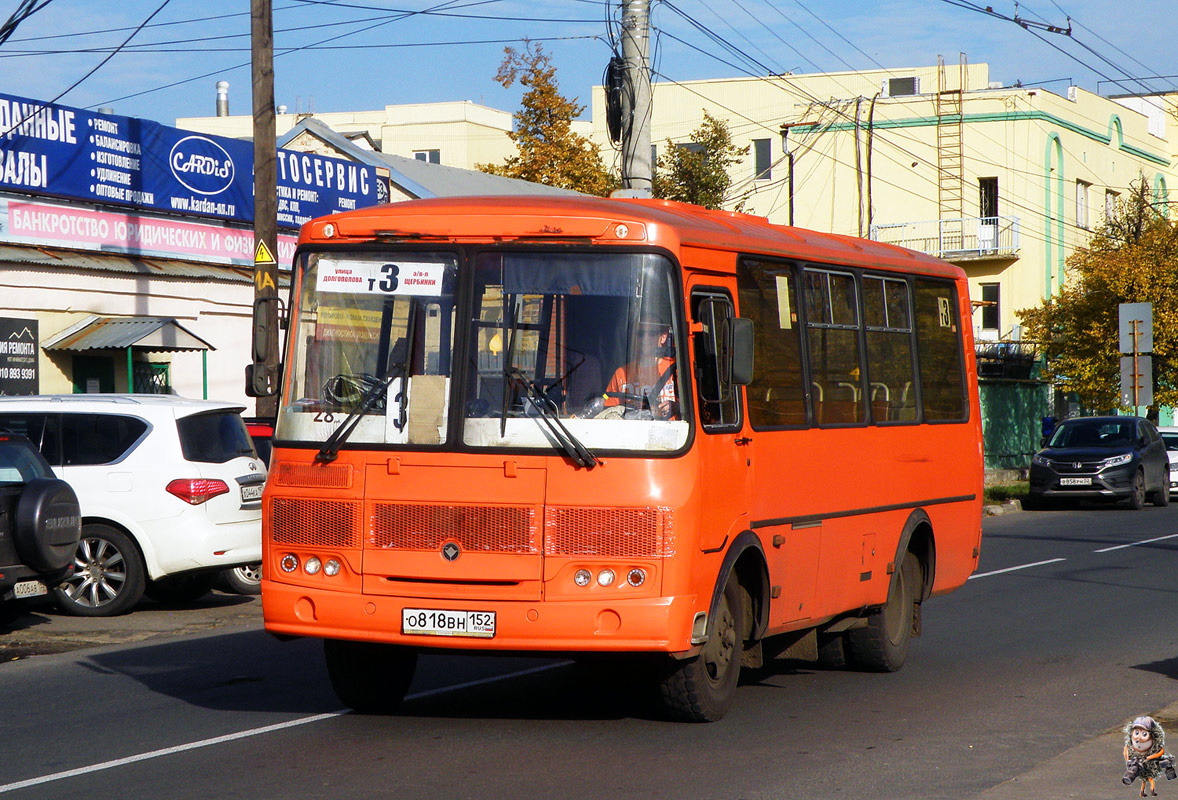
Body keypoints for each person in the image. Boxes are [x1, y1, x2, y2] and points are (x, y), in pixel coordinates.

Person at [603, 320, 678, 419]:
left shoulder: (676, 370)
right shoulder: (621, 373)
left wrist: (676, 407)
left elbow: (692, 407)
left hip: (671, 431)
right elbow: (608, 411)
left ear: (663, 336)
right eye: (640, 334)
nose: (645, 339)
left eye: (651, 333)